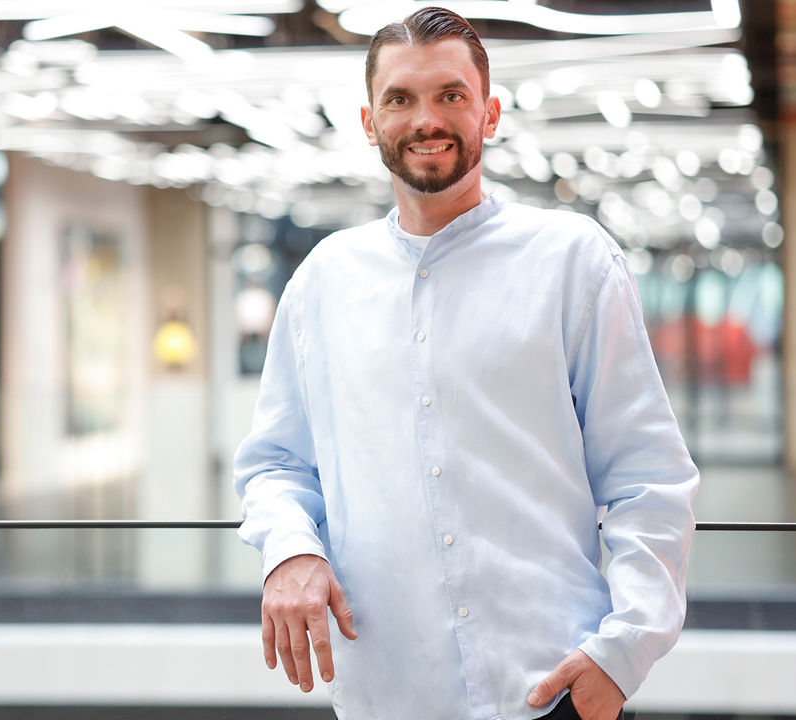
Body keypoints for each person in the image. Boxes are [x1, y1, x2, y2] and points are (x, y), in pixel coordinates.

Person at [232, 7, 699, 720]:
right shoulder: (322, 282)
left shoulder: (572, 262)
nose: (427, 120)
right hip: (387, 696)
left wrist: (624, 652)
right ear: (368, 122)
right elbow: (274, 465)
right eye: (401, 99)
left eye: (451, 95)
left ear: (490, 114)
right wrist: (293, 551)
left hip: (553, 690)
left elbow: (648, 479)